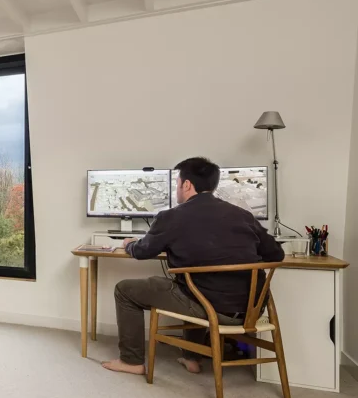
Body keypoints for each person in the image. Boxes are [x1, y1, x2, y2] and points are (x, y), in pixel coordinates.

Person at [102, 157, 284, 376]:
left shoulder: (172, 217)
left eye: (178, 183)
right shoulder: (244, 215)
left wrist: (129, 243)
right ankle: (191, 358)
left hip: (209, 307)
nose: (177, 188)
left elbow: (143, 252)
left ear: (187, 184)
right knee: (193, 285)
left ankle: (131, 361)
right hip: (252, 309)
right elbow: (276, 254)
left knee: (126, 290)